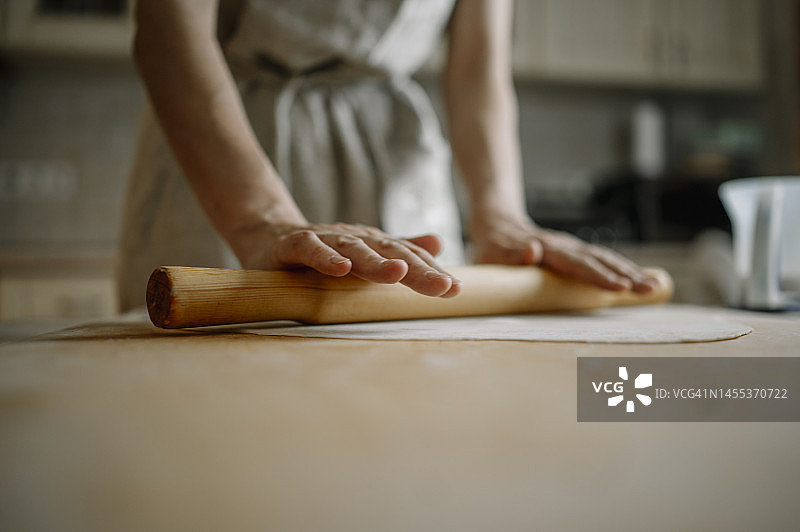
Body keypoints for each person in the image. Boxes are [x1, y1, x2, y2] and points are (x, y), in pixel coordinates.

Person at [118, 0, 660, 311]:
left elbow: (477, 68)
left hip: (394, 156)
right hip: (226, 157)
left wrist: (501, 216)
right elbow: (170, 32)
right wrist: (262, 222)